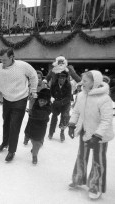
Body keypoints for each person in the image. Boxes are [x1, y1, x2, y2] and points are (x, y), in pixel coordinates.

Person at [68, 70, 114, 200]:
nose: (82, 83)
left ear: (94, 83)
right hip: (85, 131)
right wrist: (72, 124)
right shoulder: (82, 95)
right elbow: (76, 111)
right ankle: (78, 178)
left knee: (98, 160)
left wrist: (97, 136)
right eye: (82, 80)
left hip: (99, 135)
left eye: (85, 81)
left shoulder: (105, 98)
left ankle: (96, 185)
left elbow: (107, 120)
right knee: (81, 155)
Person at [24, 88, 51, 164]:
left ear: (47, 101)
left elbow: (42, 115)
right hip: (31, 126)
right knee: (28, 135)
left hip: (40, 129)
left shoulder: (48, 108)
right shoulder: (35, 104)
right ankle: (26, 139)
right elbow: (31, 103)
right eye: (40, 100)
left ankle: (34, 156)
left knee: (37, 143)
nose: (41, 102)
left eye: (44, 101)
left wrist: (31, 112)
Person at [24, 70, 48, 145]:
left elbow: (47, 97)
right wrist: (30, 96)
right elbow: (26, 96)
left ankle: (40, 140)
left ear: (42, 78)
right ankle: (27, 137)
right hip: (32, 108)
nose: (38, 79)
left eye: (39, 78)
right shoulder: (31, 85)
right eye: (36, 78)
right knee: (30, 124)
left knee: (41, 125)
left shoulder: (44, 85)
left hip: (41, 109)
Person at [48, 70, 72, 142]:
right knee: (54, 117)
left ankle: (62, 132)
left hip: (64, 105)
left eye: (63, 78)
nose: (62, 79)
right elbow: (51, 94)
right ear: (58, 78)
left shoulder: (68, 85)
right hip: (55, 104)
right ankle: (51, 132)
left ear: (66, 79)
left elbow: (68, 97)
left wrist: (60, 102)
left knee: (64, 117)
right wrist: (52, 100)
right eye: (60, 78)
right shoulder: (53, 84)